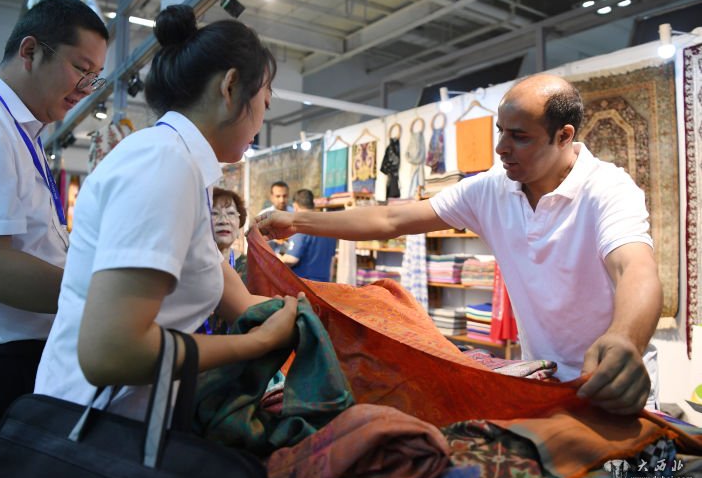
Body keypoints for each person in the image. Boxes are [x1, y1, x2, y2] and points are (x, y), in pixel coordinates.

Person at [257, 73, 663, 416]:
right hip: (545, 383)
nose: (501, 148)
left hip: (617, 384)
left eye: (519, 136)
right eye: (501, 131)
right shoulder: (490, 190)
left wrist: (626, 339)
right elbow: (391, 219)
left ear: (564, 135)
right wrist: (296, 221)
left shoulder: (606, 188)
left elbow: (634, 267)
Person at [34, 6, 301, 421]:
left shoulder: (184, 167)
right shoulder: (165, 164)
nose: (263, 120)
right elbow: (111, 352)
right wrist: (256, 344)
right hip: (92, 426)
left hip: (118, 421)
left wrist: (308, 315)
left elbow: (238, 299)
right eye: (264, 102)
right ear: (230, 87)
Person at [0, 0, 108, 478]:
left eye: (96, 77)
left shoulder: (20, 131)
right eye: (81, 69)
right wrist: (102, 300)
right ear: (30, 51)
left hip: (18, 358)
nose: (86, 88)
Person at [203, 187, 248, 335]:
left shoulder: (251, 266)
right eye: (214, 213)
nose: (223, 220)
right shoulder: (188, 266)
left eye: (230, 213)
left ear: (239, 222)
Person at [280, 189, 337, 282]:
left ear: (295, 206)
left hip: (304, 284)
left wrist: (277, 258)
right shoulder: (329, 226)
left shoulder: (301, 225)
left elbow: (291, 259)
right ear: (313, 204)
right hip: (324, 283)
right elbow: (332, 259)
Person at [258, 181, 292, 255]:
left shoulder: (294, 214)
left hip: (291, 258)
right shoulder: (263, 216)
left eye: (284, 196)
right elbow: (256, 239)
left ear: (288, 196)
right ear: (271, 197)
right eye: (278, 196)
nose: (282, 200)